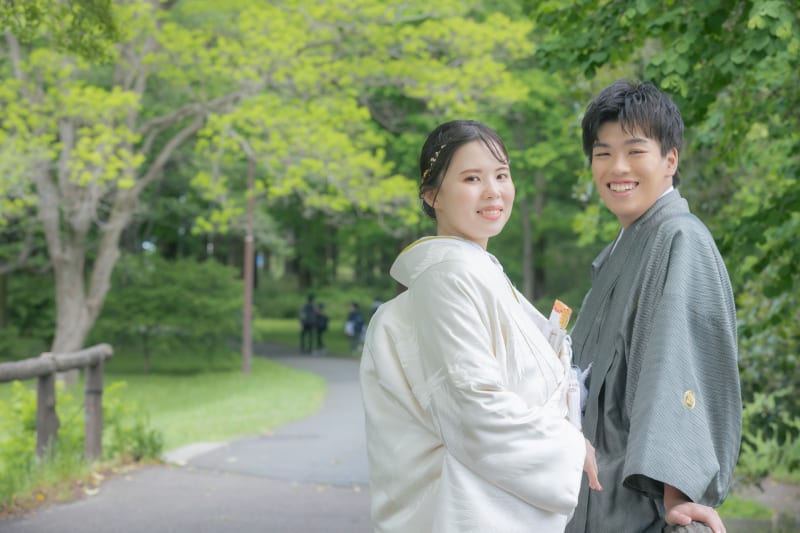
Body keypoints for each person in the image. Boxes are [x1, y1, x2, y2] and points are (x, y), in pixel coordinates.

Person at [360, 120, 597, 532]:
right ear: (432, 195)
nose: (493, 191)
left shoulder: (476, 271)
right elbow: (471, 407)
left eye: (501, 175)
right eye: (472, 178)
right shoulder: (449, 277)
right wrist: (570, 447)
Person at [565, 80, 741, 533]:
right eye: (603, 153)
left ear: (670, 160)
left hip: (639, 514)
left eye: (635, 151)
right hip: (595, 503)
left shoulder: (680, 238)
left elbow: (679, 365)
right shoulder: (625, 246)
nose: (617, 167)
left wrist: (678, 494)